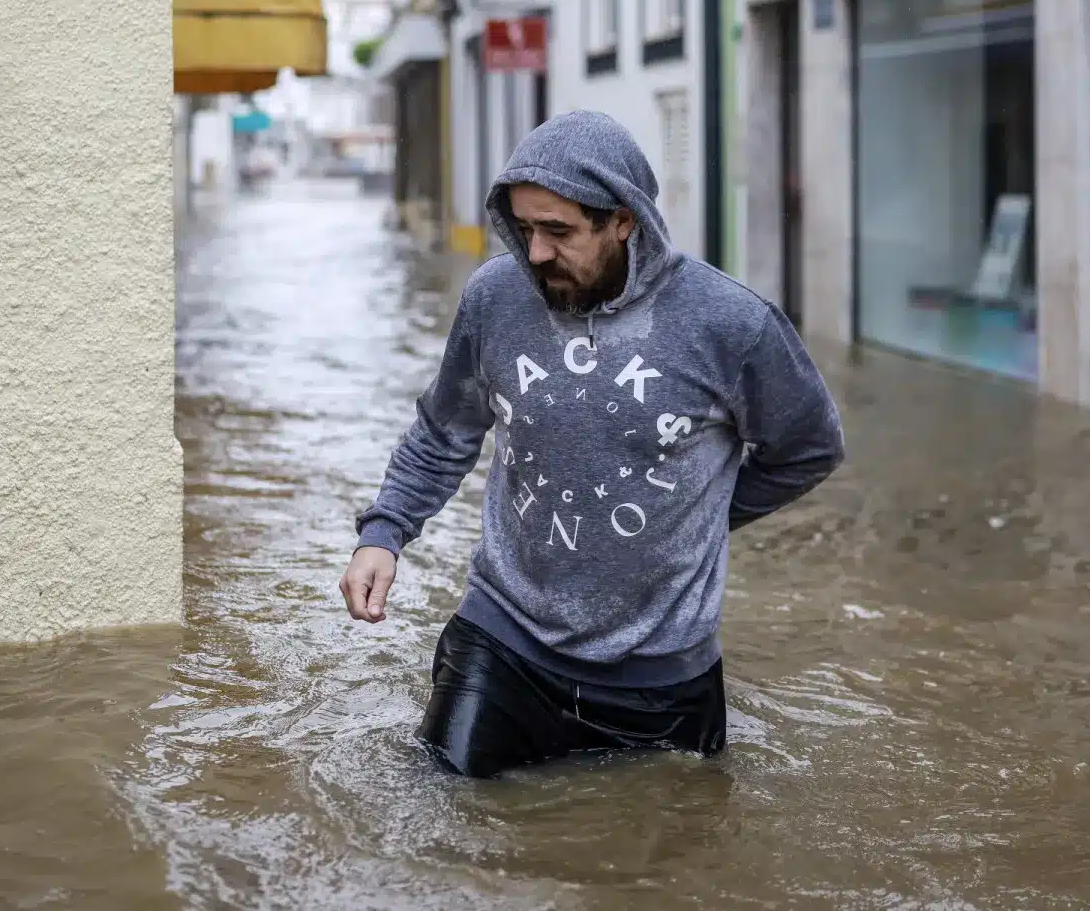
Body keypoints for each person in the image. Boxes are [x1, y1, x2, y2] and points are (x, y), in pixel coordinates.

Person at [341, 110, 844, 778]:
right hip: (503, 637)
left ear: (624, 220)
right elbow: (445, 429)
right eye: (524, 230)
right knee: (442, 819)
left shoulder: (731, 323)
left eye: (559, 231)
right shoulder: (495, 298)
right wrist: (384, 531)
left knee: (658, 867)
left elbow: (808, 448)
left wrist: (704, 515)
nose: (538, 253)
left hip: (661, 673)